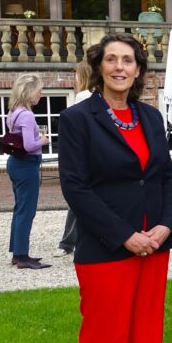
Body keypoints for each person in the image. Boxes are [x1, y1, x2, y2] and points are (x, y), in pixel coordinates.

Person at [58, 33, 172, 343]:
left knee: (146, 334)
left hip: (155, 245)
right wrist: (126, 235)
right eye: (111, 60)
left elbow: (165, 176)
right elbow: (75, 187)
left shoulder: (149, 118)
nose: (119, 68)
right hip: (108, 248)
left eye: (127, 60)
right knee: (104, 340)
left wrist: (165, 226)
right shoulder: (78, 119)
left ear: (138, 70)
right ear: (98, 67)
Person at [5, 72, 51, 270]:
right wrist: (43, 140)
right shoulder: (26, 115)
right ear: (29, 91)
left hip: (16, 164)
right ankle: (23, 257)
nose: (40, 94)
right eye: (39, 91)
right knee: (27, 211)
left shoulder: (13, 111)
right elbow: (28, 145)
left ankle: (17, 253)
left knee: (20, 209)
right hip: (26, 165)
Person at [55, 59, 93, 257]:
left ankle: (68, 243)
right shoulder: (92, 96)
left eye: (76, 74)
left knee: (78, 203)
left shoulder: (84, 97)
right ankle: (68, 242)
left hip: (84, 159)